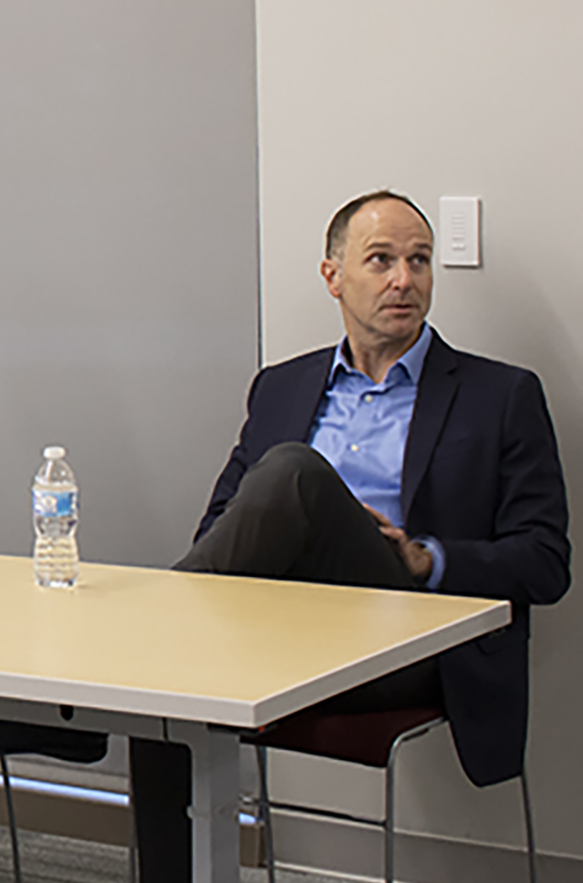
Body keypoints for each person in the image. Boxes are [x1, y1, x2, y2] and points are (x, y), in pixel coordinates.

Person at [127, 190, 570, 877]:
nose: (405, 279)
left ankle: (133, 635)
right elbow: (222, 527)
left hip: (407, 637)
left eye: (419, 261)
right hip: (287, 631)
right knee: (162, 682)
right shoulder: (282, 387)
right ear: (333, 276)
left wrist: (426, 558)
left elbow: (546, 562)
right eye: (382, 260)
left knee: (294, 474)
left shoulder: (500, 394)